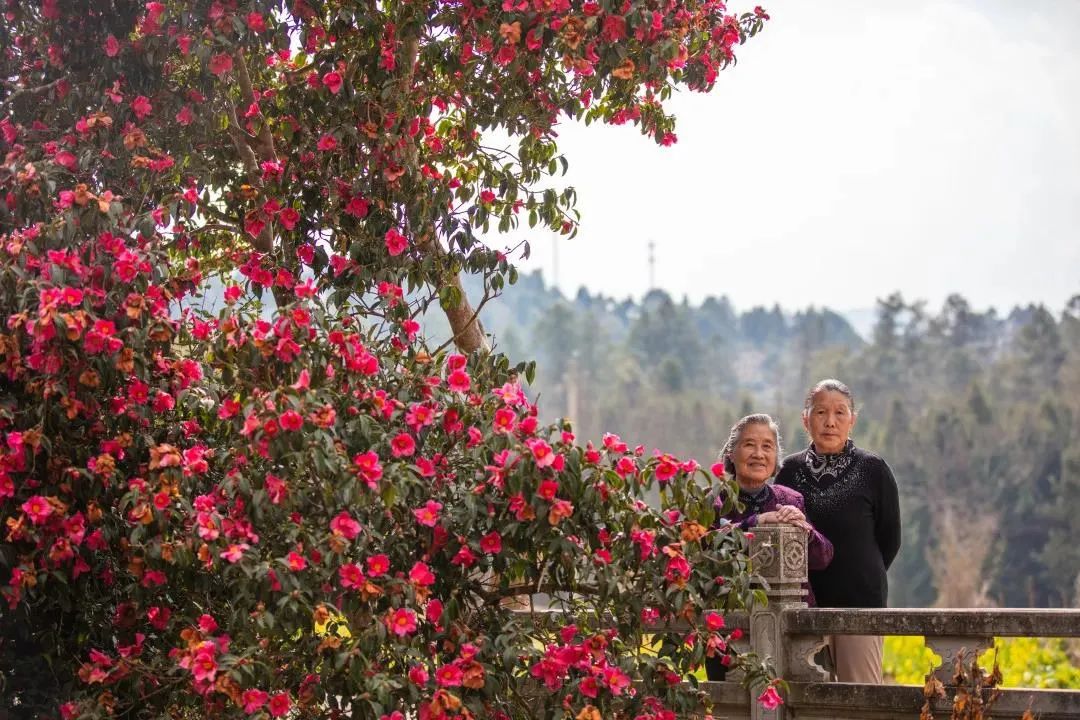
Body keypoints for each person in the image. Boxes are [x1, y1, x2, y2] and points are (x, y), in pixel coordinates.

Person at [775, 379, 901, 684]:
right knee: (806, 701)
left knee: (860, 698)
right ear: (806, 419)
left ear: (852, 420)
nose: (830, 422)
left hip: (860, 603)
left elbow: (890, 539)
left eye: (840, 413)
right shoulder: (790, 471)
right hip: (804, 605)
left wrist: (856, 575)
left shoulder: (873, 470)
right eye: (820, 413)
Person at [706, 413, 833, 681]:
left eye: (767, 446)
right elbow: (706, 551)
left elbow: (823, 558)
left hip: (791, 628)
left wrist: (804, 531)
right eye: (749, 444)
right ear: (731, 452)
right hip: (731, 628)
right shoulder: (714, 502)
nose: (759, 454)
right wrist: (756, 522)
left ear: (776, 457)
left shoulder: (790, 500)